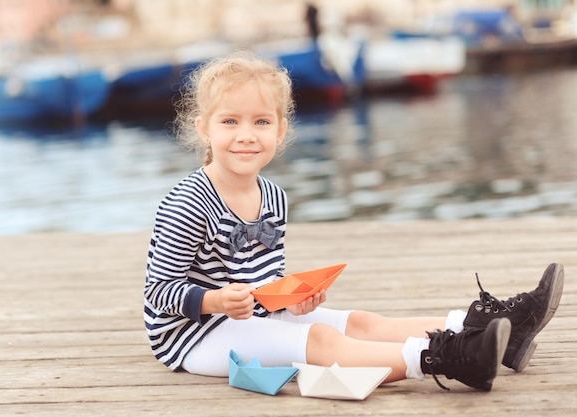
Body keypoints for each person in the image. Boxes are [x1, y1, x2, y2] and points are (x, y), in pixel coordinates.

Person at [143, 51, 564, 392]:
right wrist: (215, 301)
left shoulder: (273, 197)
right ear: (203, 129)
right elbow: (159, 292)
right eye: (230, 121)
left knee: (363, 323)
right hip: (193, 335)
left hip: (253, 316)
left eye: (261, 121)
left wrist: (293, 299)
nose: (247, 134)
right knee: (324, 341)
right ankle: (449, 358)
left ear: (281, 129)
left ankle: (492, 327)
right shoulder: (188, 202)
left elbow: (266, 288)